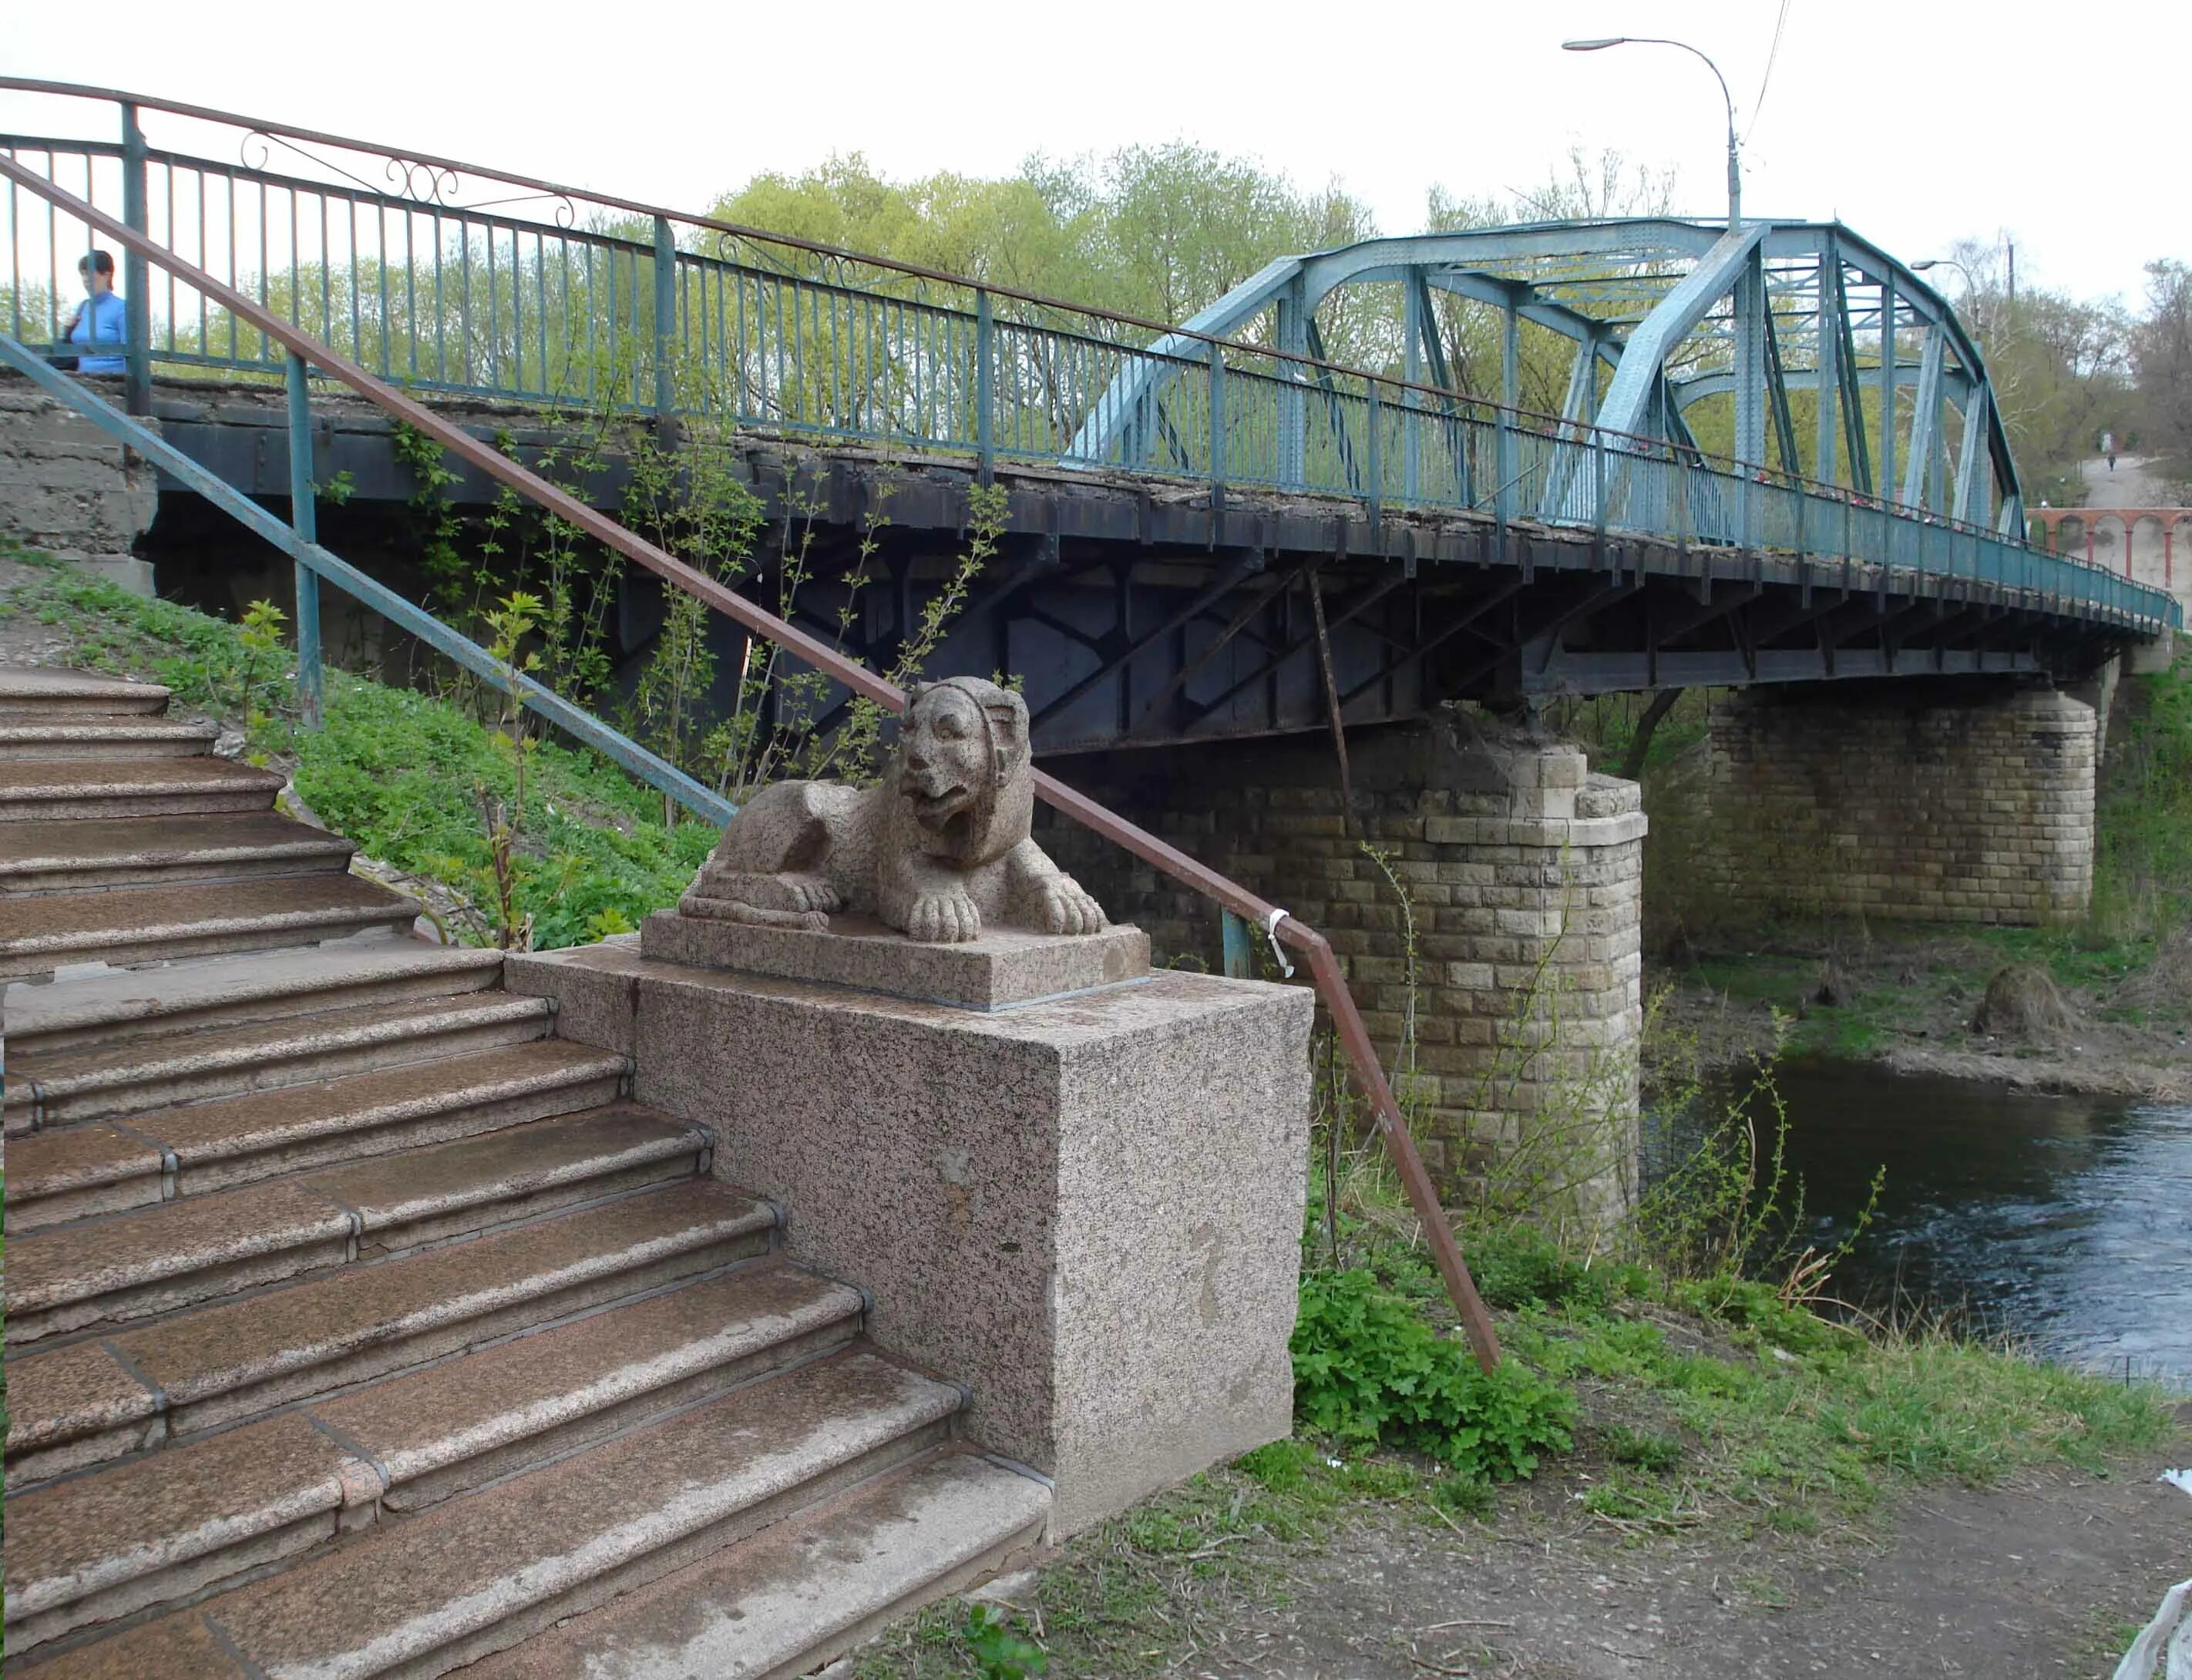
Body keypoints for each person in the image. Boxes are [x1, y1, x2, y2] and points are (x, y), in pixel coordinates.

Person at [60, 250, 127, 375]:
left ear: (107, 276)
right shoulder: (82, 307)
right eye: (83, 274)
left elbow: (132, 354)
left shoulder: (122, 308)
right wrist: (68, 329)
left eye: (90, 273)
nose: (85, 279)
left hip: (113, 380)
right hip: (79, 379)